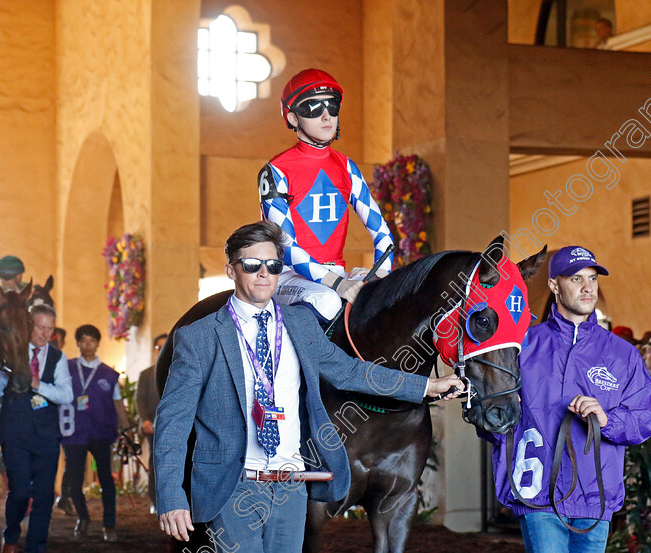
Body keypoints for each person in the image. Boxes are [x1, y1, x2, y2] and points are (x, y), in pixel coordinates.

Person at [153, 221, 463, 553]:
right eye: (251, 265)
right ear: (231, 270)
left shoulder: (300, 324)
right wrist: (171, 496)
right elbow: (173, 424)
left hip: (291, 487)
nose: (263, 274)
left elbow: (350, 372)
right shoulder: (198, 338)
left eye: (272, 266)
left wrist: (427, 386)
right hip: (233, 487)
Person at [481, 245, 651, 553]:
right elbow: (491, 421)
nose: (588, 287)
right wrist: (501, 416)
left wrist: (607, 419)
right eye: (576, 279)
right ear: (554, 285)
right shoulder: (523, 345)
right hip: (538, 494)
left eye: (592, 278)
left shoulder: (623, 354)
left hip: (595, 495)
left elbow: (646, 419)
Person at [258, 68, 395, 323]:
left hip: (337, 275)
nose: (325, 116)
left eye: (332, 106)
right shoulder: (275, 170)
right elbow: (286, 246)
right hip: (287, 277)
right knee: (327, 300)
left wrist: (378, 280)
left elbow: (383, 236)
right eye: (312, 107)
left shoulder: (347, 167)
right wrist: (337, 284)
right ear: (293, 117)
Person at [0, 304, 73, 553]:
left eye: (49, 329)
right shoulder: (8, 352)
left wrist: (38, 384)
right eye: (40, 327)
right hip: (15, 435)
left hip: (47, 438)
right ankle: (11, 535)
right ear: (29, 325)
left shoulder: (58, 357)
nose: (44, 334)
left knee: (44, 497)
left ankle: (36, 548)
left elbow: (66, 395)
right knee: (20, 491)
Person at [59, 324, 130, 542]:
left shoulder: (109, 374)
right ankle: (83, 516)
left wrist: (126, 429)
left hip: (101, 432)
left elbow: (117, 402)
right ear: (78, 343)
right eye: (83, 340)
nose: (87, 344)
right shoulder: (67, 368)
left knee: (106, 480)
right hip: (73, 432)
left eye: (92, 340)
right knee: (74, 480)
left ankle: (109, 525)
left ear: (98, 343)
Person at [136, 333, 167, 514]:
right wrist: (144, 420)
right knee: (156, 464)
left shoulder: (179, 371)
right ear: (155, 351)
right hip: (152, 427)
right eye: (158, 347)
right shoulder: (146, 374)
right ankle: (154, 499)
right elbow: (139, 399)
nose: (162, 350)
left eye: (165, 346)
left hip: (174, 428)